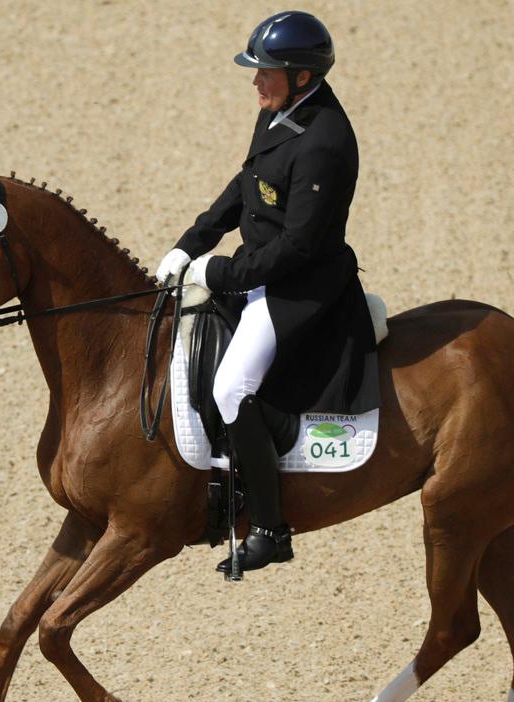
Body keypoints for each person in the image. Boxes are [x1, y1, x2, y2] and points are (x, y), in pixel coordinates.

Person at [157, 10, 373, 573]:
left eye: (267, 72)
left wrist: (220, 272)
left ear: (303, 76)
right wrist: (189, 244)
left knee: (231, 388)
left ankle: (272, 530)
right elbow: (244, 186)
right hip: (261, 270)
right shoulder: (280, 112)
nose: (256, 81)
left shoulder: (324, 141)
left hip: (298, 289)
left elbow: (299, 247)